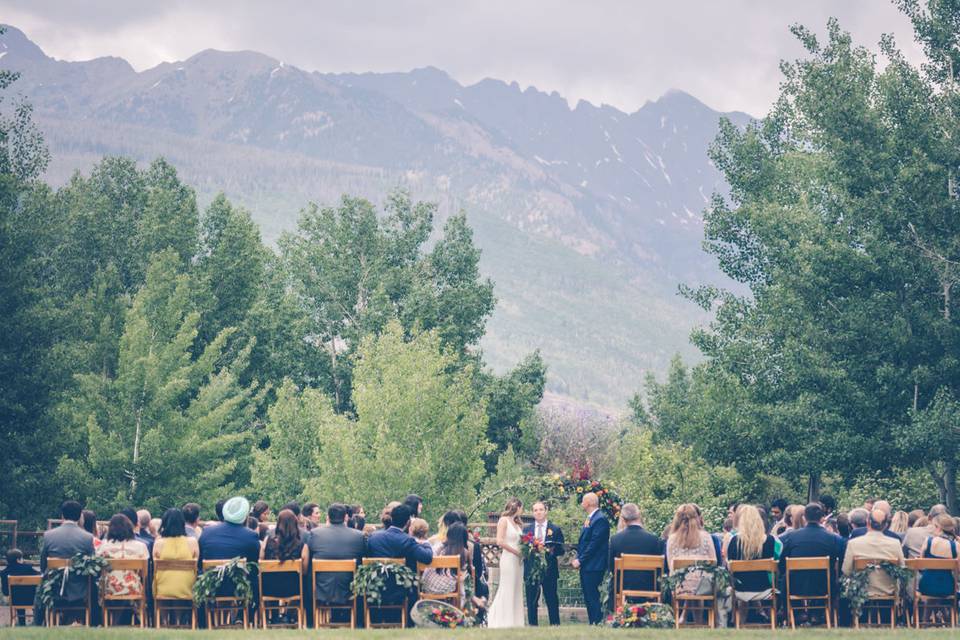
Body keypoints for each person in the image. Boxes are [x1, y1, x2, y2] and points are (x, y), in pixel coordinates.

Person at [40, 500, 95, 619]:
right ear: (80, 516)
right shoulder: (87, 537)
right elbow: (92, 565)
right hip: (79, 588)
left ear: (62, 515)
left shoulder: (49, 535)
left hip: (54, 587)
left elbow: (43, 564)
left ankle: (40, 621)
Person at [779, 503, 845, 602]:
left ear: (804, 517)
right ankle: (818, 613)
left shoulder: (790, 537)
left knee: (785, 579)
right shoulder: (834, 538)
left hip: (795, 587)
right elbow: (841, 562)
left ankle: (797, 613)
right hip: (824, 587)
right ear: (822, 518)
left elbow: (782, 564)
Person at [199, 496, 261, 597]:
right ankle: (244, 613)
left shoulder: (207, 532)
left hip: (210, 587)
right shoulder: (250, 536)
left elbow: (200, 562)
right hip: (238, 589)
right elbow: (254, 566)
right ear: (245, 516)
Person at [308, 503, 366, 609]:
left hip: (322, 588)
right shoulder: (358, 536)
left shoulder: (315, 534)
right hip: (349, 588)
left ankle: (311, 619)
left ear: (328, 517)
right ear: (346, 517)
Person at [606, 502, 662, 611]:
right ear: (639, 515)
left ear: (623, 518)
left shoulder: (615, 539)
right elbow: (660, 570)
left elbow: (611, 568)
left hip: (623, 586)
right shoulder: (653, 539)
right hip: (648, 586)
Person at [842, 509, 905, 604]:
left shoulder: (853, 543)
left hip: (861, 592)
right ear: (886, 525)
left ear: (868, 522)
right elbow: (902, 568)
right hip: (888, 591)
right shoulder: (895, 544)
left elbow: (846, 570)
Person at [260, 509, 309, 622]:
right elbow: (305, 571)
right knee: (304, 580)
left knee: (270, 578)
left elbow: (261, 562)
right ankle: (291, 615)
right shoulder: (302, 544)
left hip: (269, 589)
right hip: (294, 589)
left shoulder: (267, 541)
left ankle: (274, 616)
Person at [523, 501, 565, 626]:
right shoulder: (527, 530)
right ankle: (532, 625)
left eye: (541, 509)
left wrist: (550, 550)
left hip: (549, 570)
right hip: (531, 570)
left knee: (551, 599)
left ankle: (555, 624)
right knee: (531, 600)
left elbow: (561, 550)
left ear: (546, 511)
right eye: (535, 510)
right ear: (532, 512)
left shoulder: (555, 529)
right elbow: (523, 549)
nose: (538, 512)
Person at [726, 505, 778, 604]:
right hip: (764, 588)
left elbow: (729, 567)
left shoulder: (734, 541)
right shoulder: (770, 540)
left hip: (740, 589)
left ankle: (740, 619)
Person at [486, 497, 525, 628]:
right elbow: (500, 541)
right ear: (517, 507)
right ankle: (501, 620)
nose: (522, 511)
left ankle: (516, 621)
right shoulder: (503, 521)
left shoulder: (518, 523)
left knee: (517, 589)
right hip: (509, 558)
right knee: (507, 587)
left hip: (519, 561)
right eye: (522, 508)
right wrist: (516, 552)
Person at [573, 492, 610, 626]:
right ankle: (592, 622)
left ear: (588, 503)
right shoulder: (591, 518)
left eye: (583, 501)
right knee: (588, 595)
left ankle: (597, 621)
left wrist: (580, 560)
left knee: (593, 595)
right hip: (588, 565)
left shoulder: (600, 519)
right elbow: (584, 542)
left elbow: (594, 544)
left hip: (595, 565)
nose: (581, 503)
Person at [666, 503, 717, 595]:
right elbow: (714, 562)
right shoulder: (706, 537)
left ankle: (684, 608)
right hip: (704, 587)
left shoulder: (672, 538)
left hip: (680, 586)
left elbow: (670, 566)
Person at [97, 514, 150, 600]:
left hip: (109, 588)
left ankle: (111, 612)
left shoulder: (104, 545)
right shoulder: (140, 546)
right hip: (133, 587)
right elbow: (144, 573)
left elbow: (99, 568)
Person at [153, 508, 199, 602]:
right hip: (187, 588)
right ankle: (178, 617)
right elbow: (196, 564)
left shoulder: (159, 543)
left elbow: (155, 566)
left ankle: (163, 617)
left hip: (163, 589)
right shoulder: (192, 542)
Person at [422, 522, 470, 601]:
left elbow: (431, 556)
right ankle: (461, 606)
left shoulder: (440, 547)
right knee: (461, 577)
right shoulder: (464, 552)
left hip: (427, 586)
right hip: (447, 589)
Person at [917, 514, 958, 597]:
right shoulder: (956, 545)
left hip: (927, 586)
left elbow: (920, 566)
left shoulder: (928, 541)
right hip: (948, 587)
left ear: (938, 527)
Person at [1, 549, 39, 625]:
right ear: (18, 559)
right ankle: (37, 621)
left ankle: (22, 623)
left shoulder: (4, 572)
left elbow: (5, 592)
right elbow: (40, 577)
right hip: (31, 599)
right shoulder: (28, 568)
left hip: (15, 601)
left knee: (18, 596)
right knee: (31, 595)